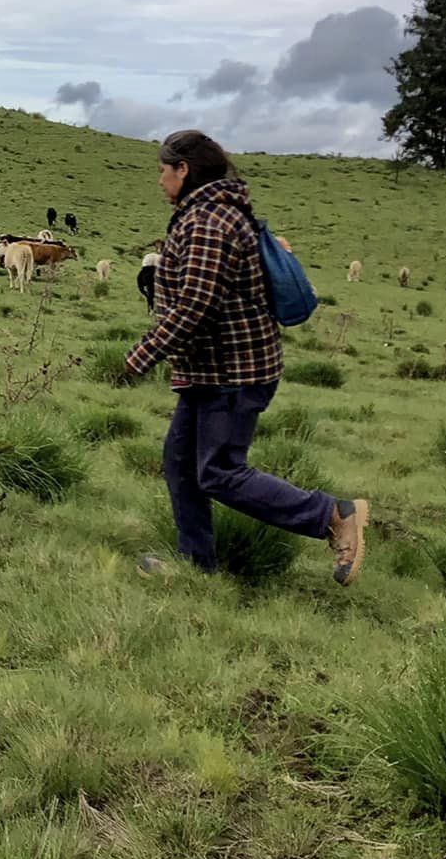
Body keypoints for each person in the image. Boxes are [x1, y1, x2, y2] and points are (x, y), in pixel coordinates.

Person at [124, 130, 368, 584]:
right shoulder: (206, 213)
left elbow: (196, 306)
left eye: (163, 169)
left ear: (184, 170)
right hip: (210, 370)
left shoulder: (209, 221)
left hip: (233, 373)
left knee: (217, 471)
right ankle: (196, 566)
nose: (158, 180)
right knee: (180, 465)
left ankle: (332, 514)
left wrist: (139, 355)